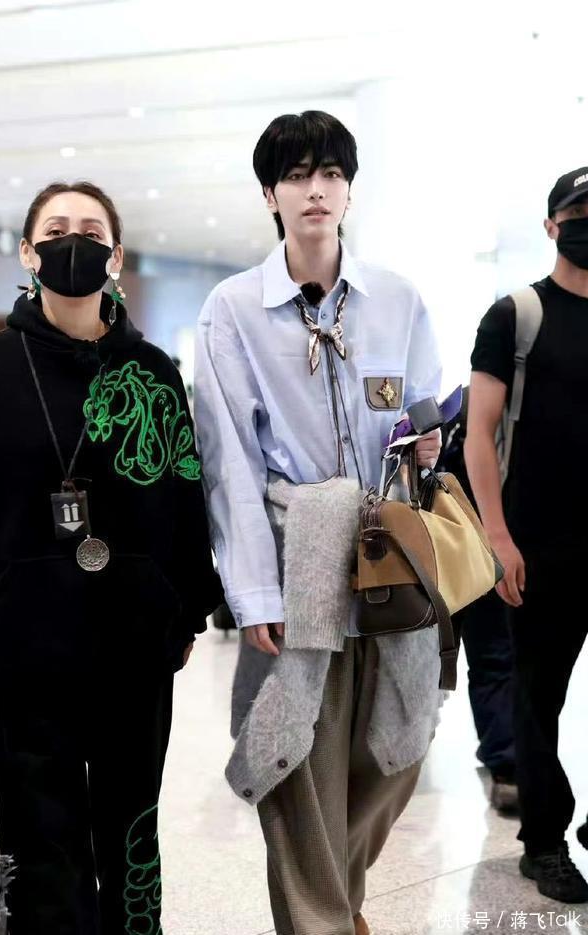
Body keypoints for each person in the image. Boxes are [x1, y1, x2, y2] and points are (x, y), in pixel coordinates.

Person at [0, 181, 221, 934]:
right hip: (25, 638)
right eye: (57, 229)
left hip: (134, 637)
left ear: (117, 256)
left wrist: (187, 609)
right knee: (43, 836)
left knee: (131, 827)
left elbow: (185, 494)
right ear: (28, 252)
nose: (75, 241)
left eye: (93, 231)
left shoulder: (154, 371)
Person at [194, 110, 442, 935]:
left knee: (395, 746)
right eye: (297, 175)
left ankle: (341, 901)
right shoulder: (233, 308)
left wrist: (424, 437)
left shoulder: (397, 299)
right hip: (296, 553)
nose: (316, 189)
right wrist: (253, 592)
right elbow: (230, 461)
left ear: (349, 189)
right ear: (270, 194)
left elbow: (421, 411)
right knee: (295, 751)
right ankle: (323, 922)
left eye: (331, 173)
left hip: (389, 558)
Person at [465, 166, 588, 903]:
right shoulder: (517, 315)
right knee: (537, 699)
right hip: (539, 544)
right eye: (579, 212)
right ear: (552, 225)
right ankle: (543, 842)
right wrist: (498, 536)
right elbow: (479, 433)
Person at [438, 390, 517, 813]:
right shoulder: (470, 410)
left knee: (487, 658)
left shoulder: (460, 406)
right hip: (477, 553)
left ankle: (506, 760)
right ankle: (506, 763)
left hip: (465, 554)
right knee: (494, 657)